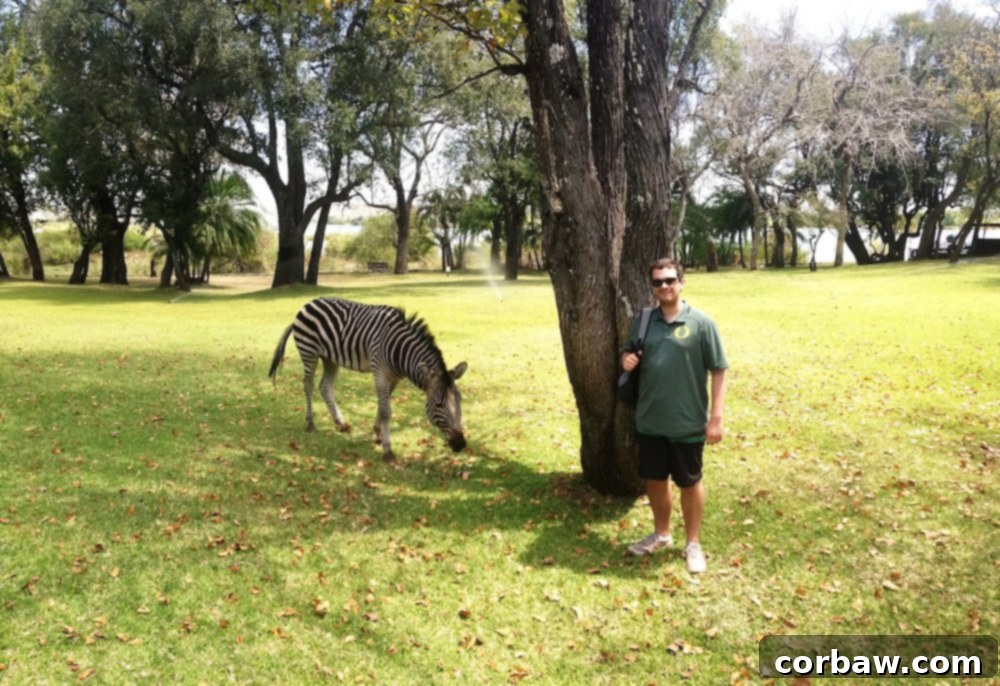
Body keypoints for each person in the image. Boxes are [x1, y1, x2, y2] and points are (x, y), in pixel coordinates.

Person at [621, 257, 728, 574]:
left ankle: (693, 544)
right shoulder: (643, 321)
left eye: (670, 280)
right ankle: (661, 534)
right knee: (655, 480)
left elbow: (719, 369)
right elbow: (629, 352)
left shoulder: (701, 323)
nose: (664, 286)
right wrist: (627, 359)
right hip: (651, 420)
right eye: (658, 282)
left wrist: (716, 418)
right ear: (652, 287)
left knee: (690, 482)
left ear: (681, 282)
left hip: (688, 422)